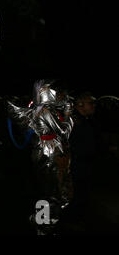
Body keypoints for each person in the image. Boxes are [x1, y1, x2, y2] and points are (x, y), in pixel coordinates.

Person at [7, 80, 74, 235]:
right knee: (51, 193)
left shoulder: (44, 109)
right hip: (48, 154)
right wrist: (68, 116)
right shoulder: (44, 110)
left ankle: (41, 223)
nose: (59, 95)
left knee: (50, 192)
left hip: (48, 152)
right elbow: (64, 133)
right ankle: (43, 226)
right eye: (55, 91)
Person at [68, 92, 99, 226]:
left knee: (83, 196)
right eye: (91, 103)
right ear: (80, 105)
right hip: (76, 167)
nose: (94, 106)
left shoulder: (87, 120)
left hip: (85, 165)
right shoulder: (74, 121)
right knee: (77, 197)